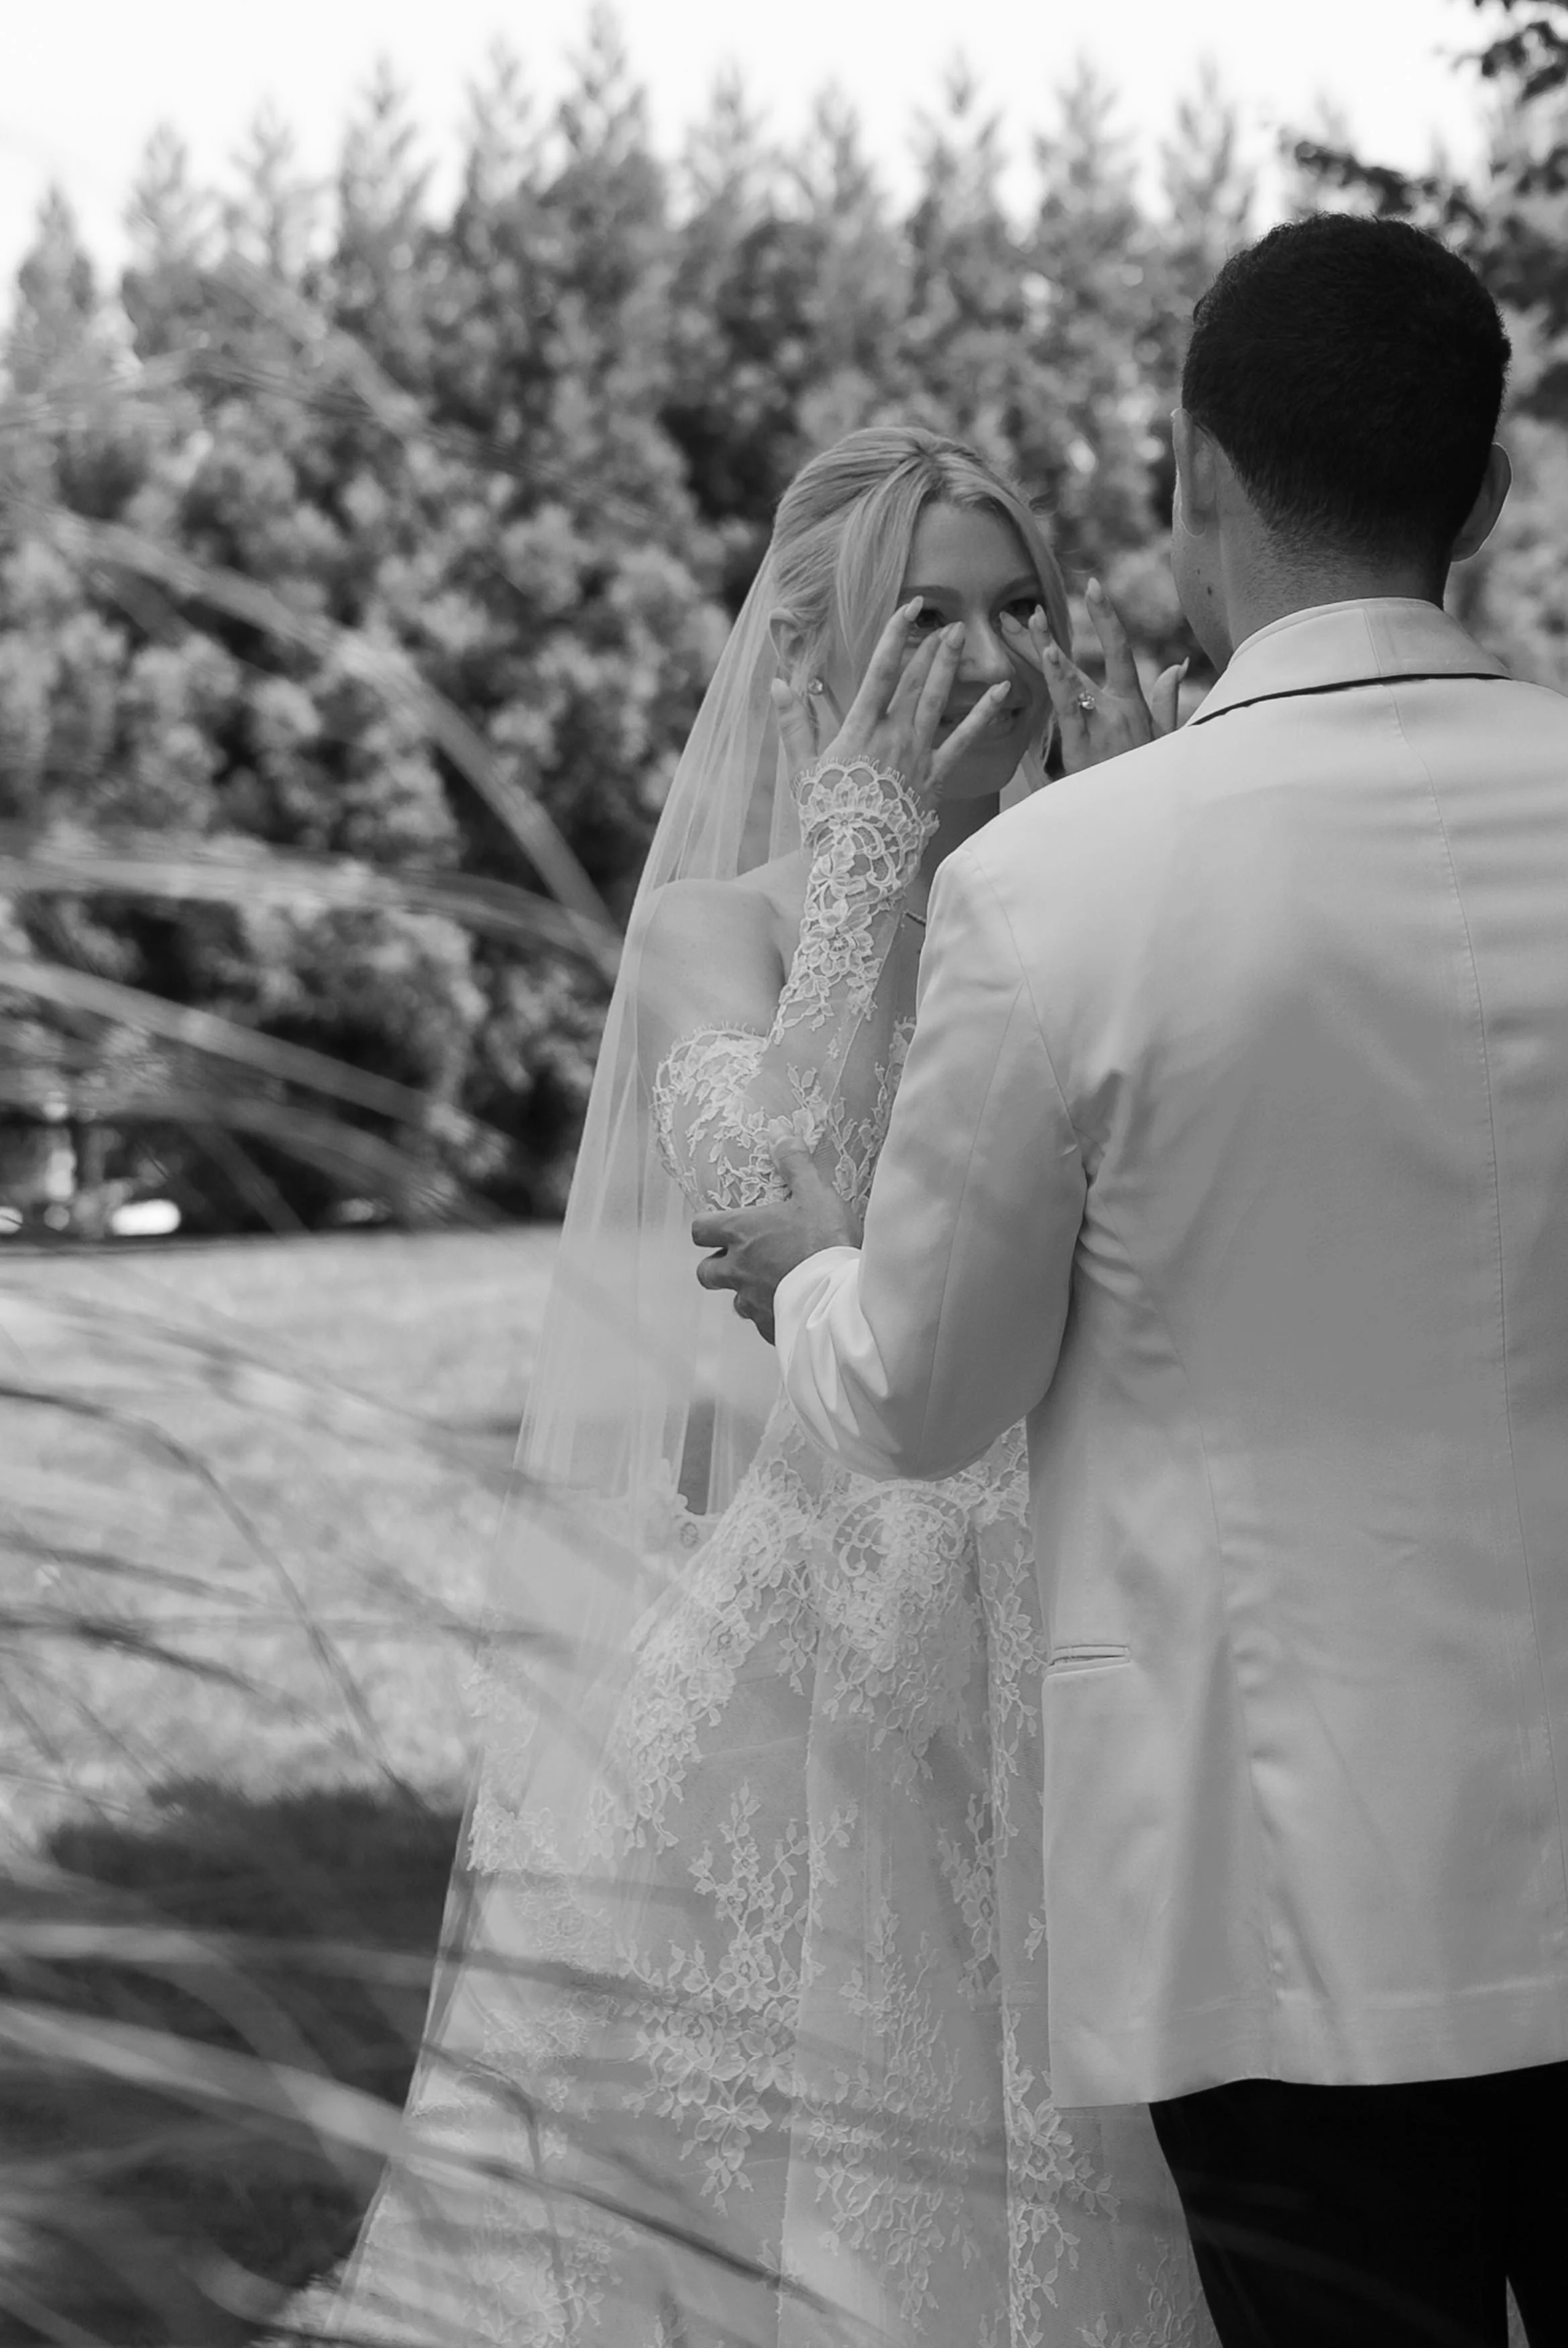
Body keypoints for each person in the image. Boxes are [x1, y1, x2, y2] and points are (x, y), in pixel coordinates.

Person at [697, 218, 1566, 2348]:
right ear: (1482, 497)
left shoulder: (1066, 888)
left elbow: (921, 1388)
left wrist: (812, 1275)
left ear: (1194, 484)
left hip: (1281, 1916)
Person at [306, 425, 1211, 2348]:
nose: (989, 661)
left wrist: (1140, 833)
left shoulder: (1095, 892)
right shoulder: (716, 925)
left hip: (1088, 1592)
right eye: (926, 620)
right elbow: (756, 1205)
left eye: (1020, 608)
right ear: (810, 659)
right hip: (831, 1618)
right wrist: (874, 865)